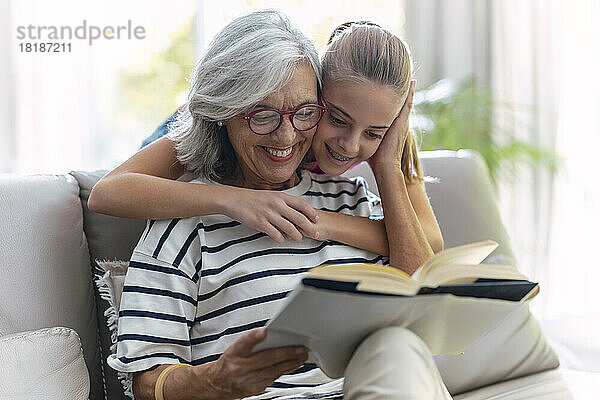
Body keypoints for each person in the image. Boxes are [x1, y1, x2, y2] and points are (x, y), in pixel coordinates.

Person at [106, 10, 453, 400]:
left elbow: (425, 300)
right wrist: (215, 381)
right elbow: (146, 384)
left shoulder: (352, 199)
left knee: (401, 348)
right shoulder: (183, 222)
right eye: (264, 115)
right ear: (227, 113)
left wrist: (388, 163)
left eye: (306, 113)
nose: (287, 136)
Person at [88, 24, 444, 276]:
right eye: (336, 118)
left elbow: (426, 247)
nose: (351, 144)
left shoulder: (383, 142)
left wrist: (385, 168)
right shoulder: (234, 122)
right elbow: (107, 193)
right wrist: (236, 199)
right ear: (318, 91)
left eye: (374, 132)